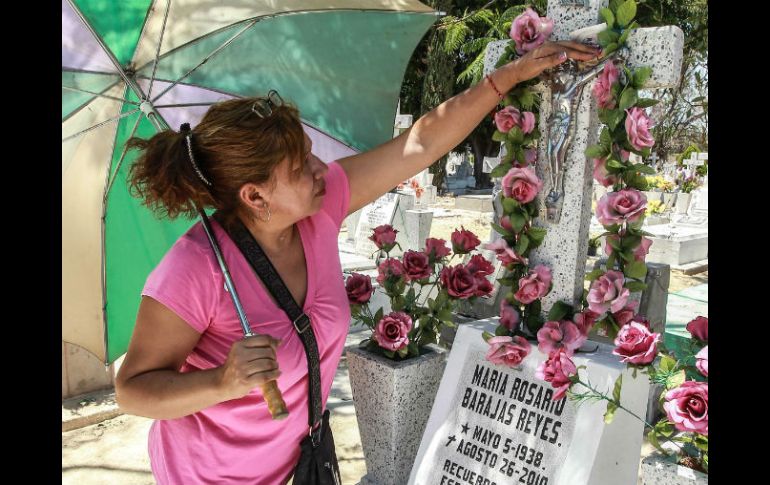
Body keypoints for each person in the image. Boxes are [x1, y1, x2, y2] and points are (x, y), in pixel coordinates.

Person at [114, 40, 599, 484]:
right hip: (206, 476)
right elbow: (133, 391)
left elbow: (420, 145)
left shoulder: (318, 213)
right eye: (301, 165)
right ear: (255, 194)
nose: (322, 168)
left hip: (300, 468)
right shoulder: (195, 268)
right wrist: (221, 382)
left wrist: (505, 79)